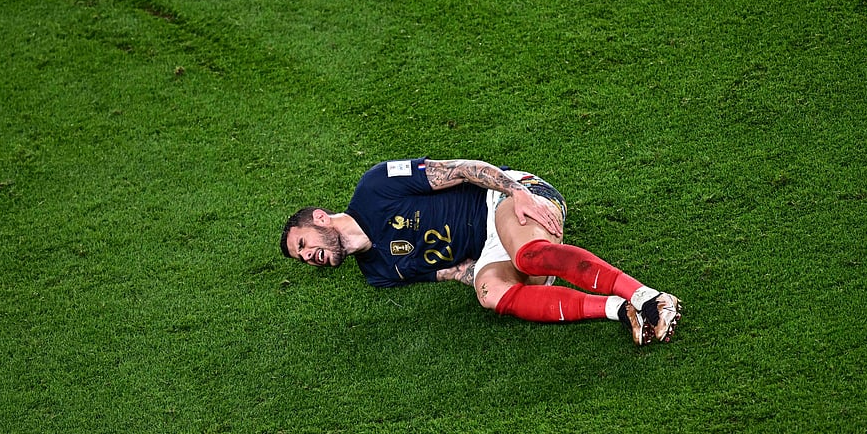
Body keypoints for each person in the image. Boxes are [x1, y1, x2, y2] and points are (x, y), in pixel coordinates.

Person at [280, 158, 682, 345]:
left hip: (502, 199)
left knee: (527, 258)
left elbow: (458, 169)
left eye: (303, 244)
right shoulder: (378, 273)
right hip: (491, 244)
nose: (308, 256)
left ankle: (647, 296)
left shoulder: (375, 186)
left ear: (320, 218)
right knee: (490, 293)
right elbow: (455, 271)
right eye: (302, 258)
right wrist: (514, 285)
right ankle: (617, 308)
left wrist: (516, 190)